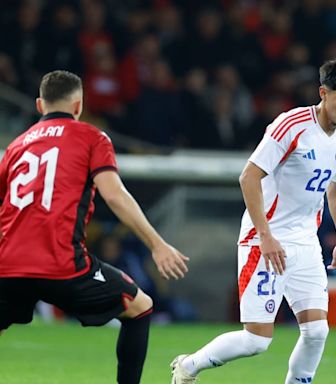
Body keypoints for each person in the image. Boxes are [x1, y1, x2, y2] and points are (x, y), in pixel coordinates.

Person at [171, 57, 336, 383]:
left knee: (317, 331)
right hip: (266, 239)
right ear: (323, 93)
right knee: (256, 340)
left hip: (305, 241)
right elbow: (249, 177)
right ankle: (188, 366)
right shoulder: (291, 126)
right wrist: (265, 235)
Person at [0, 70, 189, 384]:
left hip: (8, 266)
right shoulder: (91, 137)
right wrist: (158, 245)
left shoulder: (15, 147)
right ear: (78, 106)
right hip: (62, 266)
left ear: (38, 105)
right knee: (140, 307)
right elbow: (114, 195)